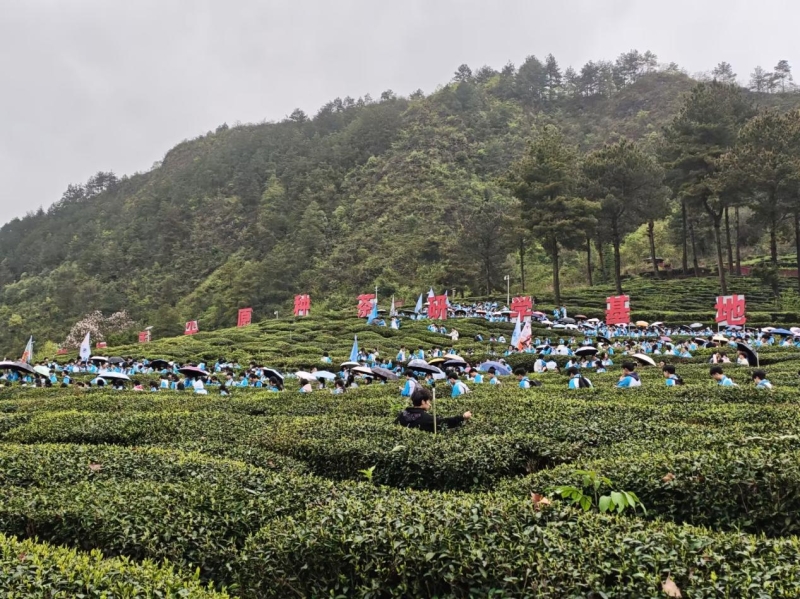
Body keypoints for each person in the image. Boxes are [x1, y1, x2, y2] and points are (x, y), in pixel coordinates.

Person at [394, 387, 471, 433]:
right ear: (423, 402)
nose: (430, 404)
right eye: (428, 401)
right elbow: (444, 423)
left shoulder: (403, 414)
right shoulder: (425, 418)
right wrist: (462, 417)